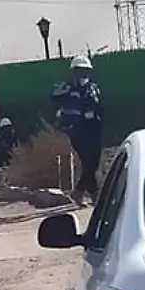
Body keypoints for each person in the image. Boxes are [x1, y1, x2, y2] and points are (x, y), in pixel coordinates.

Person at [53, 55, 104, 206]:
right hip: (77, 132)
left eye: (86, 71)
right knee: (89, 164)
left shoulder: (93, 88)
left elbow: (99, 106)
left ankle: (90, 195)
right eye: (80, 71)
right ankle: (81, 193)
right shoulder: (67, 88)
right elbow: (54, 96)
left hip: (94, 129)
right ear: (74, 72)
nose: (83, 75)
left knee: (92, 164)